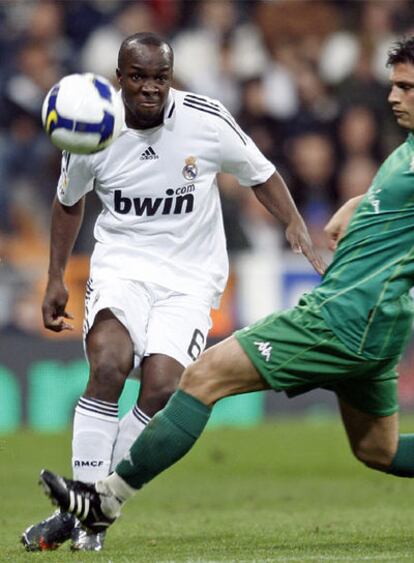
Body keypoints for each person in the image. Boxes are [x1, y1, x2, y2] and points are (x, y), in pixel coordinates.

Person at [39, 36, 414, 535]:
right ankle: (91, 506)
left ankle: (94, 506)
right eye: (395, 86)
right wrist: (360, 205)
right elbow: (68, 201)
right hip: (368, 321)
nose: (393, 98)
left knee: (186, 382)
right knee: (378, 449)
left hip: (325, 310)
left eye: (407, 88)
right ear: (120, 76)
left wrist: (299, 223)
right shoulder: (405, 150)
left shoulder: (203, 118)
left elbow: (260, 172)